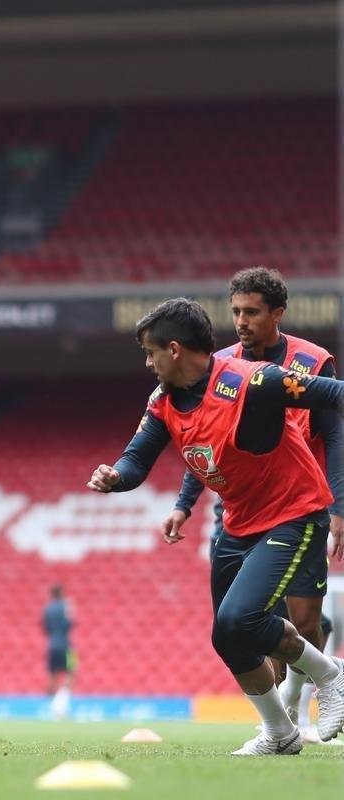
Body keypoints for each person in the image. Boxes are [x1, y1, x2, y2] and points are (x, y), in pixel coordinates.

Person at [86, 297, 344, 755]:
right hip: (236, 521)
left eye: (150, 353)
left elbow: (334, 395)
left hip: (293, 513)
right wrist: (115, 476)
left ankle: (331, 675)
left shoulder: (256, 381)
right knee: (228, 636)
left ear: (174, 349)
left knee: (238, 618)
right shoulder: (164, 401)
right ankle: (280, 734)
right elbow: (137, 457)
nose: (147, 363)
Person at [162, 268, 341, 740]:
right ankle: (283, 721)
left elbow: (335, 429)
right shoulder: (217, 365)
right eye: (236, 311)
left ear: (277, 313)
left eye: (252, 312)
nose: (241, 321)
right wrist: (184, 502)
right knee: (237, 625)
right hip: (239, 510)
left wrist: (339, 504)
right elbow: (198, 441)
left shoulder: (312, 360)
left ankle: (303, 704)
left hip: (296, 503)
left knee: (300, 618)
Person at [42, 584, 75, 719]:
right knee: (72, 672)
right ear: (61, 592)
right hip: (66, 646)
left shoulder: (47, 609)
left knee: (52, 676)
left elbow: (46, 628)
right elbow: (69, 624)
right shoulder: (66, 606)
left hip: (51, 645)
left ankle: (50, 706)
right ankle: (60, 705)